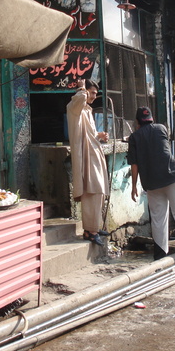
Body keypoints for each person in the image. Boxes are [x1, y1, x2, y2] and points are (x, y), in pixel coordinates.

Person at [127, 106, 175, 261]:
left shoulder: (134, 137)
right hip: (173, 178)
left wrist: (134, 186)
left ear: (137, 122)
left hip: (152, 184)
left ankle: (160, 257)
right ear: (151, 119)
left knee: (158, 219)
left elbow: (135, 165)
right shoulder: (162, 129)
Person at [66, 78, 110, 246]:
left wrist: (99, 135)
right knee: (91, 191)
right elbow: (78, 100)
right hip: (86, 158)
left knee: (98, 192)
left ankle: (95, 228)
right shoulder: (74, 108)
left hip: (94, 156)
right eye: (91, 92)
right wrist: (81, 89)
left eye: (94, 93)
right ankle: (90, 231)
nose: (93, 96)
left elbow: (89, 133)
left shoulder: (87, 111)